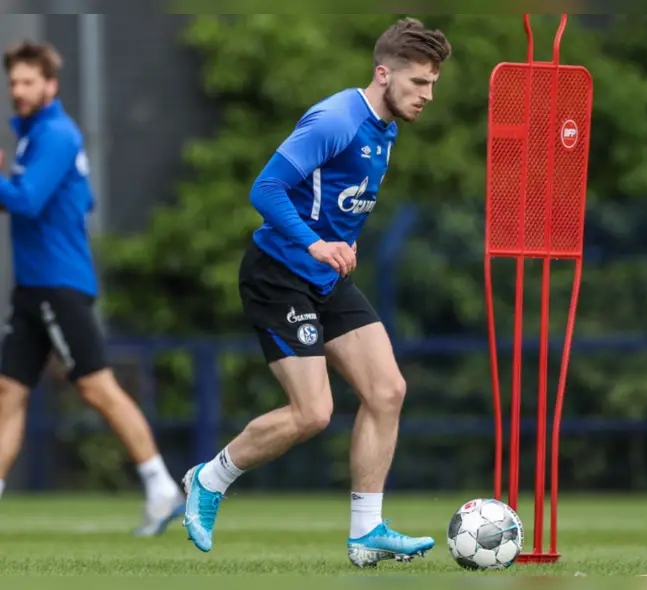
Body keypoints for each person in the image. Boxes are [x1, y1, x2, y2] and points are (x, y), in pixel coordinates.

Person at [180, 18, 452, 567]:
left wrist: (333, 249)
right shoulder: (336, 119)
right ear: (383, 74)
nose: (427, 95)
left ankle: (366, 531)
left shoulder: (386, 126)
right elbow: (266, 188)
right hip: (278, 273)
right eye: (419, 83)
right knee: (313, 413)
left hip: (325, 278)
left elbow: (335, 202)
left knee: (388, 390)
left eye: (432, 85)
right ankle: (209, 479)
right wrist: (315, 244)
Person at [0, 41, 185, 535]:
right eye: (13, 82)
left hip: (58, 285)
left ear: (50, 85)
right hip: (34, 287)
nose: (17, 90)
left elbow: (26, 200)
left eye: (27, 82)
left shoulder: (56, 134)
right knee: (8, 392)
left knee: (97, 387)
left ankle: (161, 485)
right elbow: (79, 197)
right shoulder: (34, 136)